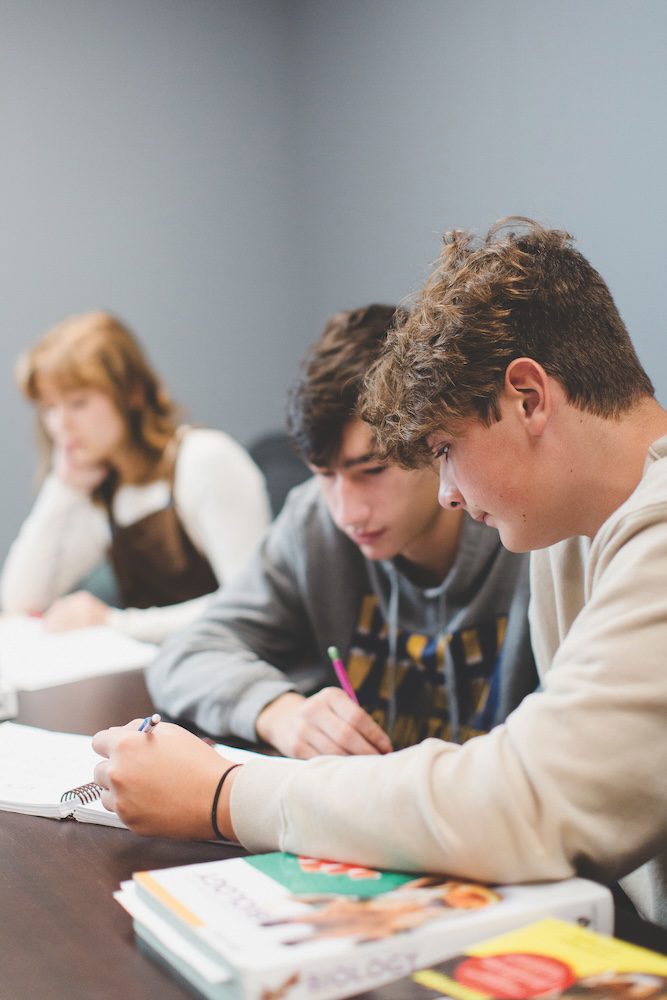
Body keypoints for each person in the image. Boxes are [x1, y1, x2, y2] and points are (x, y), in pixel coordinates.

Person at [92, 214, 667, 931]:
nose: (448, 490)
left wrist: (224, 794)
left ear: (528, 397)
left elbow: (530, 796)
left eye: (444, 448)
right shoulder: (574, 524)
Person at [143, 303, 536, 756]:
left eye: (371, 470)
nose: (347, 512)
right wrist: (278, 711)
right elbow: (185, 654)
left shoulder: (527, 529)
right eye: (324, 474)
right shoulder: (313, 519)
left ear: (434, 442)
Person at [1, 311, 271, 643]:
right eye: (49, 408)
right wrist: (63, 488)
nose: (60, 426)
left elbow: (254, 607)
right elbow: (21, 602)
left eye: (78, 403)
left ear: (133, 393)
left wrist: (113, 623)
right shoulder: (105, 491)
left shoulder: (204, 459)